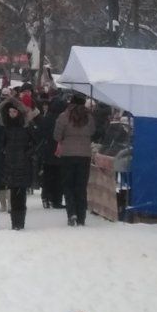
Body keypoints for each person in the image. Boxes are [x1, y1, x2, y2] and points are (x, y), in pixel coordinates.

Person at [53, 93, 97, 227]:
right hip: (84, 155)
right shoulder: (89, 117)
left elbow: (56, 136)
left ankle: (72, 213)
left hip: (68, 155)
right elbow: (93, 132)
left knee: (68, 185)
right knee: (81, 186)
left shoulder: (64, 116)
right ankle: (82, 216)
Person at [0, 99, 38, 231]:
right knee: (14, 193)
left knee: (20, 195)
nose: (12, 114)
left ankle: (20, 222)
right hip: (9, 164)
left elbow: (36, 143)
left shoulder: (26, 128)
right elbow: (1, 144)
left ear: (19, 113)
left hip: (23, 164)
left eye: (14, 111)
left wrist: (28, 153)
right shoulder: (5, 129)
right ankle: (15, 222)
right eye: (10, 112)